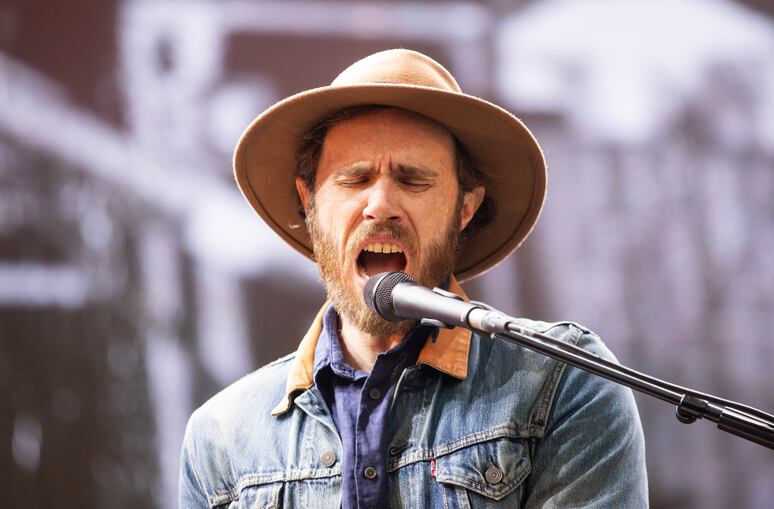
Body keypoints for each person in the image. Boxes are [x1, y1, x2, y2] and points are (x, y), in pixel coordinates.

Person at [179, 49, 648, 508]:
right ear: (309, 203)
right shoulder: (220, 436)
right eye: (355, 179)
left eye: (413, 180)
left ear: (466, 208)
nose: (380, 205)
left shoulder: (564, 381)